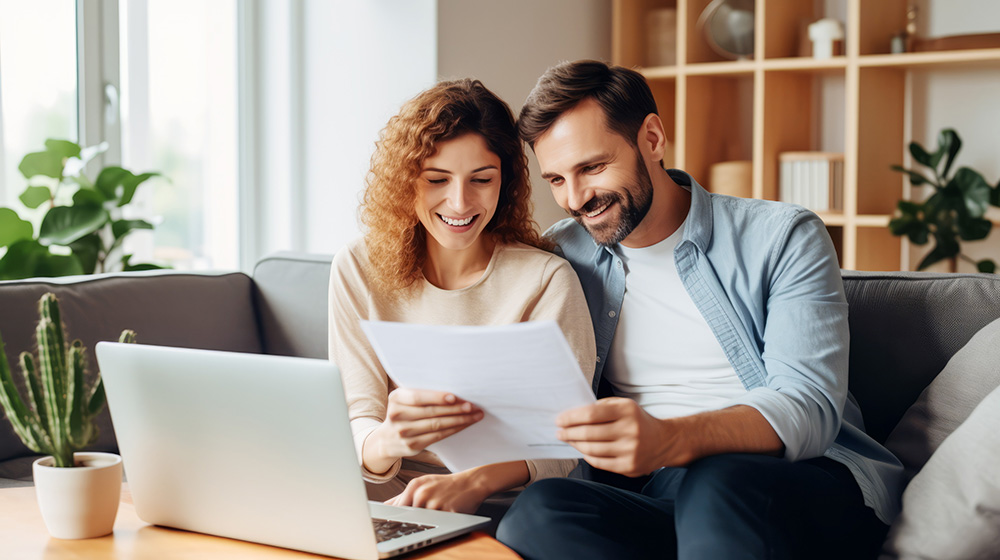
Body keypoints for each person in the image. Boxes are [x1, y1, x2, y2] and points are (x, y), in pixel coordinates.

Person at [496, 60, 904, 559]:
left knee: (717, 481)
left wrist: (668, 439)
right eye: (556, 179)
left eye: (593, 167)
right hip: (660, 493)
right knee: (541, 510)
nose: (576, 198)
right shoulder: (563, 255)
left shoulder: (782, 235)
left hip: (795, 483)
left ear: (652, 138)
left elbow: (808, 407)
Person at [328, 79, 596, 516]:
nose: (459, 202)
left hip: (500, 501)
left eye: (481, 179)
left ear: (504, 182)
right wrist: (388, 440)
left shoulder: (546, 280)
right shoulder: (358, 267)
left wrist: (472, 483)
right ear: (405, 182)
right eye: (436, 179)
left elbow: (563, 441)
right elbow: (357, 414)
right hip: (381, 493)